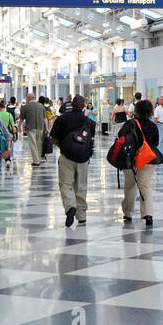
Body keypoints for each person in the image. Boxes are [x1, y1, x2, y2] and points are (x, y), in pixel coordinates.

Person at [51, 94, 93, 227]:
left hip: (66, 157)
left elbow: (53, 137)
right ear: (84, 106)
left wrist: (63, 146)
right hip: (83, 158)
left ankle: (70, 207)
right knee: (81, 186)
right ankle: (82, 215)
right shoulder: (88, 121)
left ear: (71, 105)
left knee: (65, 184)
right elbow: (90, 140)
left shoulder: (62, 119)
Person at [118, 98, 158, 226]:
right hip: (148, 159)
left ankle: (128, 213)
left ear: (136, 110)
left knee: (130, 185)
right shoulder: (153, 126)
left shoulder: (130, 124)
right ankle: (148, 214)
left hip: (130, 159)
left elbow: (120, 137)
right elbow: (156, 142)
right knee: (144, 185)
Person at [19, 93, 47, 165]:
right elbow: (45, 118)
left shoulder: (26, 106)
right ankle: (39, 159)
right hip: (40, 127)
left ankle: (36, 161)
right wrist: (47, 128)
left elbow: (21, 118)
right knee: (39, 143)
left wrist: (19, 126)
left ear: (28, 98)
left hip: (30, 128)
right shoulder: (41, 106)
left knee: (33, 144)